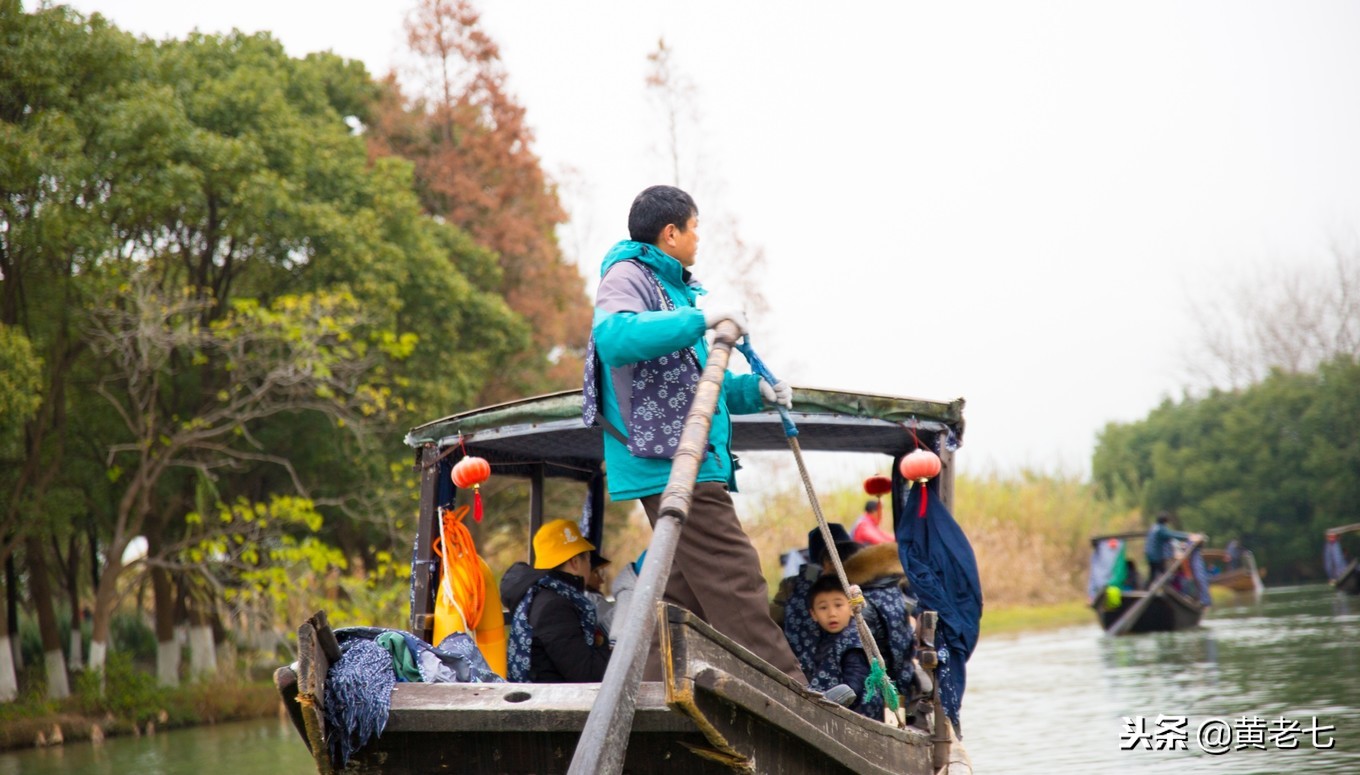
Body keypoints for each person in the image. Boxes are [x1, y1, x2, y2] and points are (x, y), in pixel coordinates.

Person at [582, 184, 805, 684]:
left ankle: (642, 693)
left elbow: (699, 385)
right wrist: (700, 319)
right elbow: (614, 338)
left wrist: (756, 392)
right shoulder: (627, 276)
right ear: (670, 233)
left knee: (682, 589)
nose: (698, 239)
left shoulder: (671, 289)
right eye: (695, 227)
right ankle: (793, 691)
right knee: (734, 575)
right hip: (671, 461)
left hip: (679, 456)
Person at [500, 519, 612, 683]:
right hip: (552, 704)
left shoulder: (544, 596)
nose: (590, 566)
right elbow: (588, 674)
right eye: (588, 559)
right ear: (575, 562)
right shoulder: (554, 607)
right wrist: (616, 645)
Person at [805, 574, 883, 721]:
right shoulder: (822, 638)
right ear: (813, 614)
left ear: (851, 608)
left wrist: (837, 699)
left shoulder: (854, 641)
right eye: (823, 608)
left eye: (838, 605)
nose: (832, 614)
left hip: (855, 714)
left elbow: (856, 683)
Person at [1144, 512, 1199, 583]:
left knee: (1153, 574)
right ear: (1165, 521)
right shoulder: (1160, 529)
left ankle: (1147, 588)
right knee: (1164, 574)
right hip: (1156, 556)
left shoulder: (1154, 527)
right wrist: (1188, 536)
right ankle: (1168, 588)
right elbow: (1171, 534)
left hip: (1150, 554)